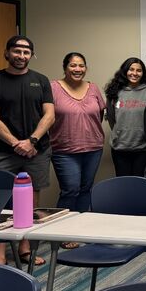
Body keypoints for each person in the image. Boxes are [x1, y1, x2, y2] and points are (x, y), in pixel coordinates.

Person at [0, 35, 55, 266]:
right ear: (7, 52)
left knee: (30, 201)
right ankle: (0, 255)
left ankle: (24, 248)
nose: (21, 56)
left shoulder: (41, 80)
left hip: (37, 150)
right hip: (5, 151)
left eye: (26, 52)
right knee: (0, 201)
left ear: (31, 55)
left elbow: (49, 115)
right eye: (17, 51)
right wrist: (16, 143)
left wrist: (31, 141)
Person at [49, 52, 106, 219]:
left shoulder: (93, 88)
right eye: (73, 65)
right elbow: (45, 116)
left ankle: (80, 226)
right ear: (65, 68)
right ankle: (61, 228)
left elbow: (99, 114)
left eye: (81, 65)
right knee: (70, 190)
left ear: (86, 68)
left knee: (86, 189)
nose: (77, 69)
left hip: (93, 148)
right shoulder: (53, 88)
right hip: (64, 150)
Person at [104, 57, 146, 177]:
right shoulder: (115, 91)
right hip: (120, 147)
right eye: (131, 69)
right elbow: (112, 118)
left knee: (139, 182)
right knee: (123, 182)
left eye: (139, 70)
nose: (135, 73)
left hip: (143, 148)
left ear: (143, 73)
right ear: (125, 71)